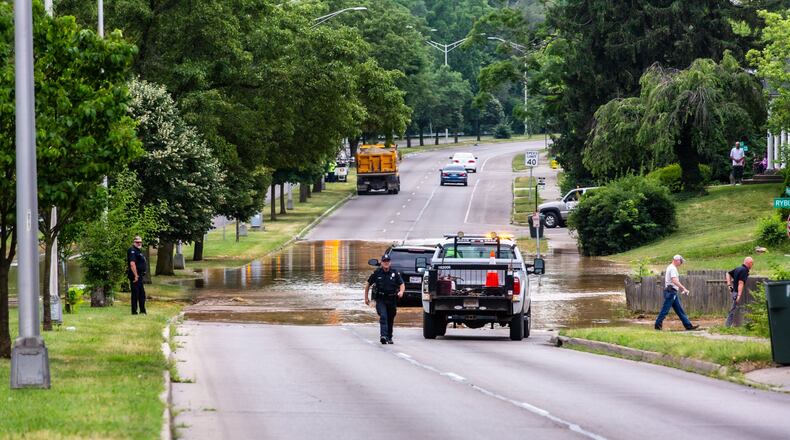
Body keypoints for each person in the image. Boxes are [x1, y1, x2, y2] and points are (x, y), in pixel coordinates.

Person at [364, 256, 405, 344]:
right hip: (380, 299)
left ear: (390, 262)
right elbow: (368, 284)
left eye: (388, 261)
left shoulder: (395, 273)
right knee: (383, 316)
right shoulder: (377, 273)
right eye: (384, 261)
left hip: (392, 299)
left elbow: (402, 284)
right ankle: (383, 336)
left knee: (390, 318)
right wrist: (366, 298)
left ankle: (389, 337)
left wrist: (401, 292)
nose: (386, 263)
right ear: (381, 263)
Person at [655, 255, 699, 331]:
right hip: (671, 292)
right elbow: (674, 280)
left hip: (672, 291)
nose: (681, 263)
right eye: (681, 261)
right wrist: (683, 288)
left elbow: (674, 281)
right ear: (676, 260)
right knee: (665, 310)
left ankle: (688, 326)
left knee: (680, 311)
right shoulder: (672, 268)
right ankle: (657, 326)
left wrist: (679, 288)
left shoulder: (671, 267)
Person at [725, 257, 753, 327]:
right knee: (733, 310)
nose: (752, 265)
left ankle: (735, 325)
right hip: (737, 293)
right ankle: (727, 326)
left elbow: (728, 273)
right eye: (752, 263)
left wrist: (729, 285)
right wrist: (739, 295)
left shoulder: (738, 268)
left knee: (736, 309)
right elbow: (741, 283)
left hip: (735, 292)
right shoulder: (744, 271)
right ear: (749, 263)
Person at [127, 236, 148, 315]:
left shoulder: (138, 251)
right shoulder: (132, 251)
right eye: (137, 242)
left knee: (141, 294)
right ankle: (134, 311)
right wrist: (136, 275)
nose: (139, 243)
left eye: (140, 242)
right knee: (135, 294)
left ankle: (142, 310)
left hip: (140, 275)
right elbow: (132, 264)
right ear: (134, 242)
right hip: (135, 275)